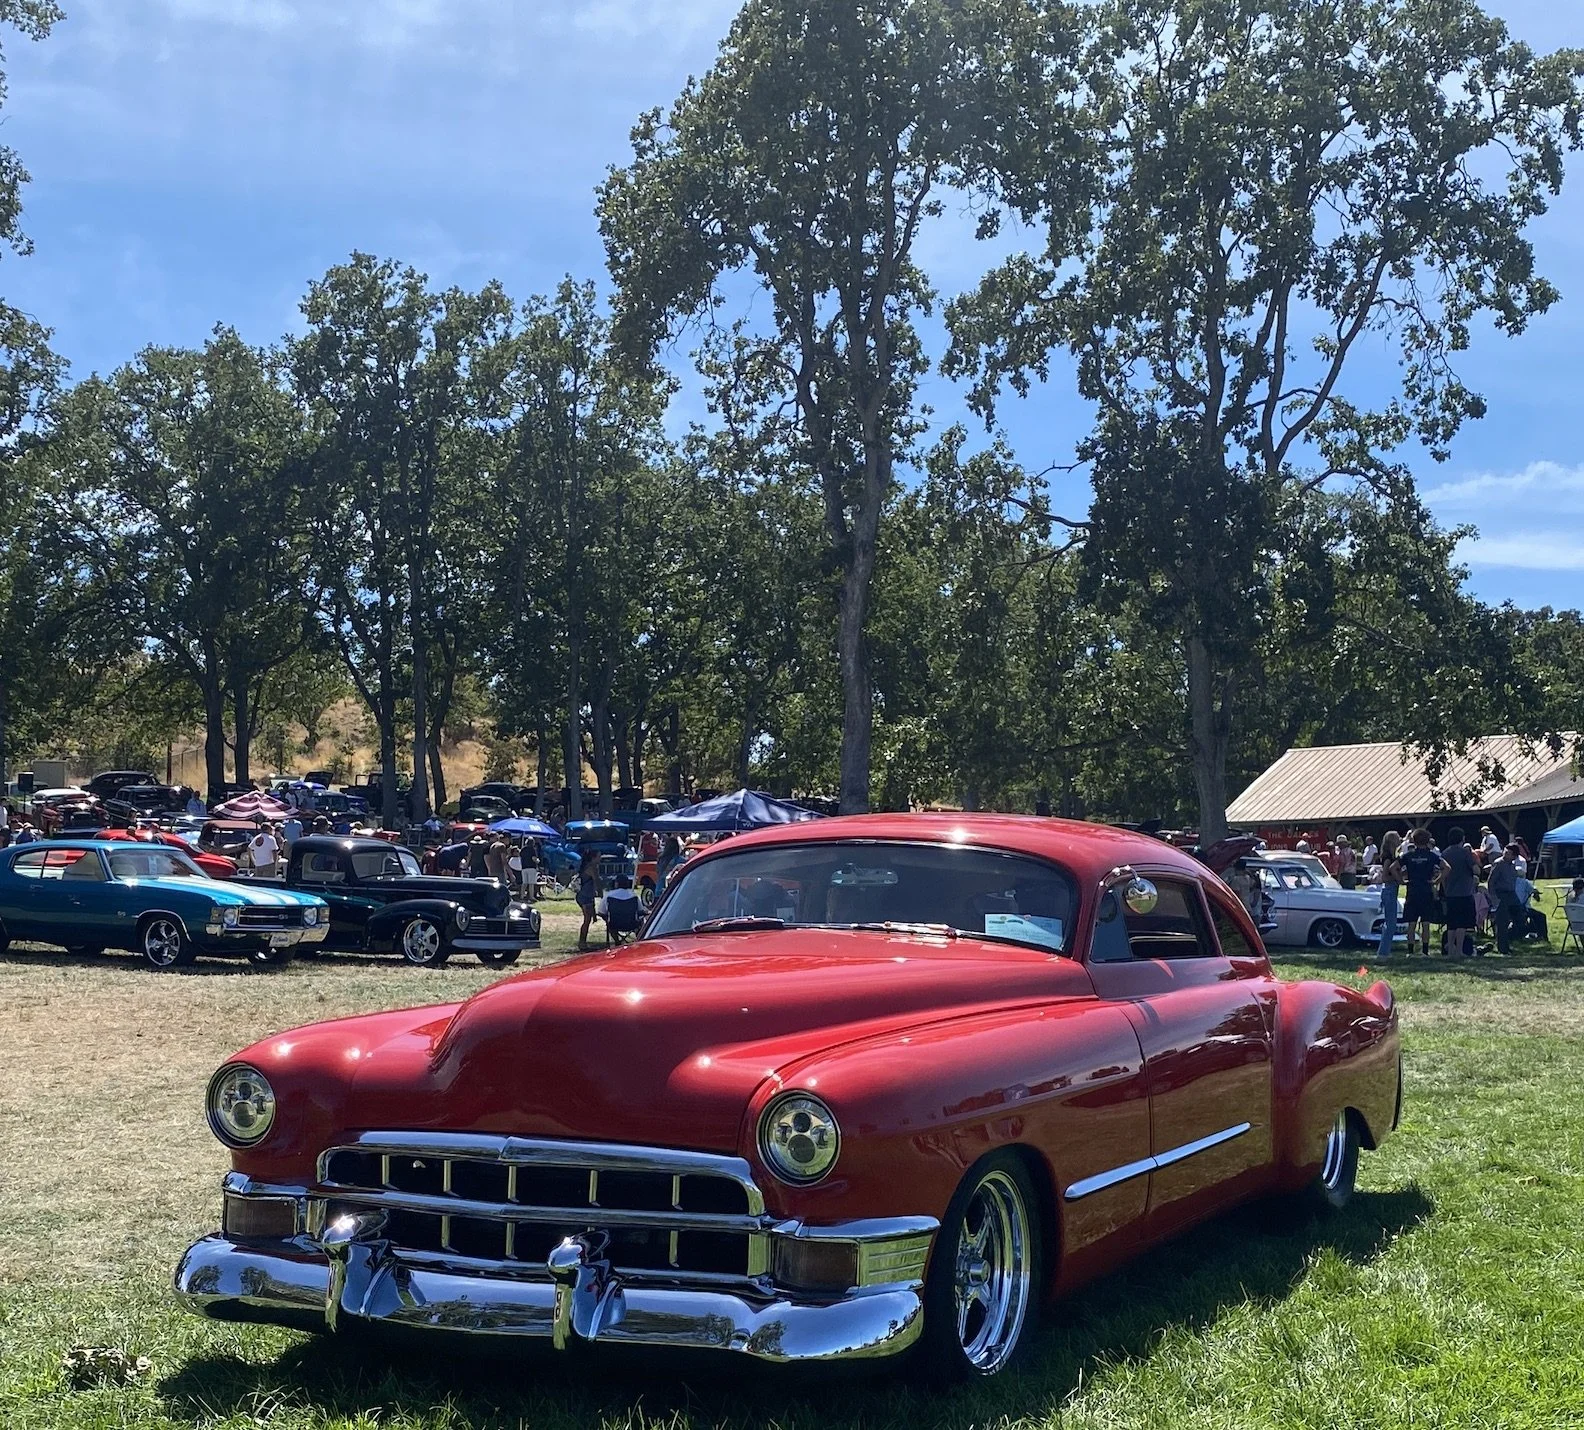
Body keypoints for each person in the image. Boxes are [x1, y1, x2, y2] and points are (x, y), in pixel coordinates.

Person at [1399, 828, 1447, 958]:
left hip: (1412, 890)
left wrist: (1402, 881)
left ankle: (1410, 951)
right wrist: (1436, 881)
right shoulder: (1432, 856)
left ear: (1413, 841)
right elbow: (1447, 868)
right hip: (1426, 890)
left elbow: (1393, 867)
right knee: (1426, 923)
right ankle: (1425, 951)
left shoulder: (1408, 856)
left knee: (1411, 923)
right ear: (1427, 841)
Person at [1441, 826, 1480, 958]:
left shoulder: (1444, 853)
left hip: (1450, 893)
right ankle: (1459, 950)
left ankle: (1450, 950)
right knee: (1462, 924)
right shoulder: (1465, 853)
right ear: (1462, 838)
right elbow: (1475, 870)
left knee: (1451, 923)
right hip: (1465, 892)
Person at [1486, 843, 1523, 956]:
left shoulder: (1512, 865)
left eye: (1508, 853)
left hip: (1511, 895)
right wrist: (1494, 899)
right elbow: (1491, 882)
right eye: (1505, 852)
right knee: (1502, 922)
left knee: (1520, 918)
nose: (1505, 854)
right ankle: (1503, 948)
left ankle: (1509, 939)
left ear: (1514, 856)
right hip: (1501, 894)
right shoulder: (1498, 863)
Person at [1374, 831, 1403, 959]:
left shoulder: (1393, 856)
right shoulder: (1388, 858)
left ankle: (1384, 951)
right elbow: (1385, 877)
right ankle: (1383, 953)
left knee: (1390, 923)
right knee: (1391, 924)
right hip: (1389, 890)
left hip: (1391, 890)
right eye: (1397, 838)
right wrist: (1398, 879)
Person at [576, 848, 601, 950]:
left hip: (588, 896)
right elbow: (597, 881)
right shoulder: (592, 867)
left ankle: (583, 942)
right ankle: (582, 942)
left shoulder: (590, 866)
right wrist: (601, 893)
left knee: (588, 919)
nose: (600, 858)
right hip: (585, 896)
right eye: (599, 856)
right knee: (587, 920)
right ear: (593, 858)